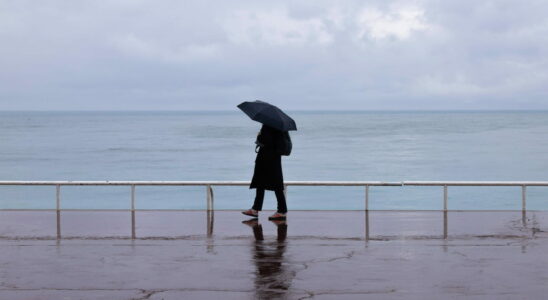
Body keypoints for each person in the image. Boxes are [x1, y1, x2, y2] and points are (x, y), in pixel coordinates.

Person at [242, 124, 287, 220]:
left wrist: (259, 135)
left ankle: (281, 210)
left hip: (266, 158)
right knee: (269, 184)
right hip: (275, 158)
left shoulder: (268, 126)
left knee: (264, 183)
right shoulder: (280, 127)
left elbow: (265, 140)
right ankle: (257, 209)